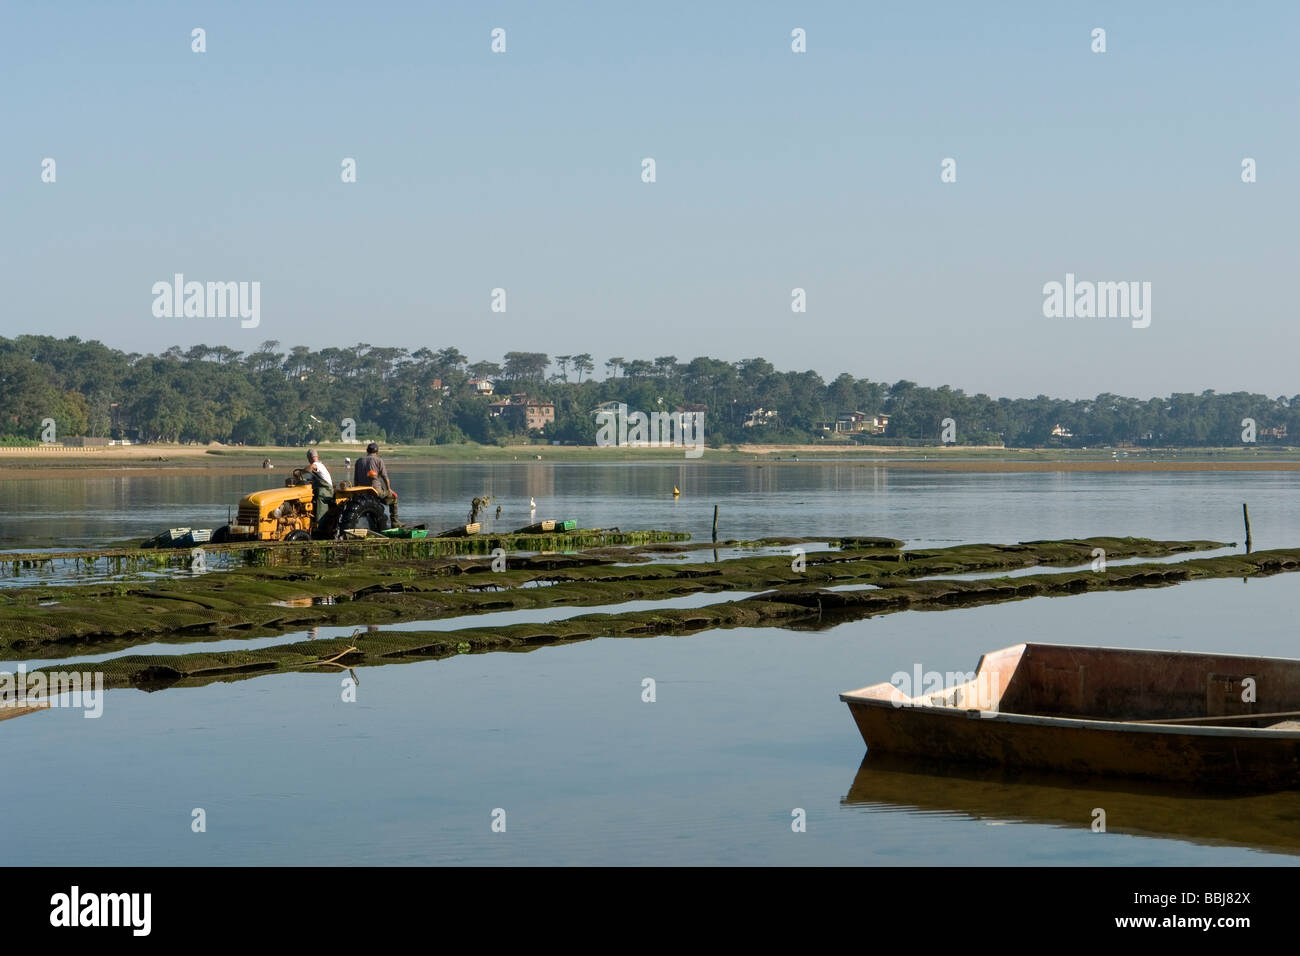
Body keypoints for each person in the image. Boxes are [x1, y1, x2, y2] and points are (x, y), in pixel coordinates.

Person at [354, 441, 399, 525]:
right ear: (377, 452)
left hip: (362, 491)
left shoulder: (358, 461)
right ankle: (395, 522)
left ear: (367, 451)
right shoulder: (378, 460)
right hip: (375, 490)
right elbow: (385, 477)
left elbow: (356, 480)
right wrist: (389, 489)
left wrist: (356, 494)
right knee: (394, 498)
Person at [306, 449, 334, 533]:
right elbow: (309, 480)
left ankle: (320, 524)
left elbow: (312, 467)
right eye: (312, 457)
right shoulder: (315, 467)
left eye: (313, 457)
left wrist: (303, 470)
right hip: (321, 488)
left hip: (326, 490)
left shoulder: (318, 465)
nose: (313, 459)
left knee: (320, 496)